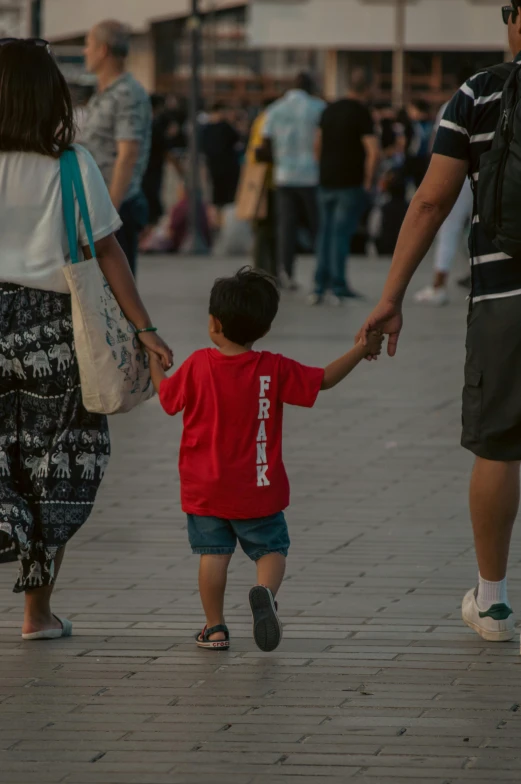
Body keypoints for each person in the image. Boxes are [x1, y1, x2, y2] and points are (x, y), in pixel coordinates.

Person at [357, 1, 521, 644]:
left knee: (499, 446)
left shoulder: (479, 93)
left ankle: (494, 599)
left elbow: (430, 200)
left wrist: (392, 296)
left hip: (504, 300)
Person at [0, 39, 171, 639]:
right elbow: (106, 250)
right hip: (54, 327)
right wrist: (145, 330)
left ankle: (4, 513)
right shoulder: (72, 165)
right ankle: (36, 614)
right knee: (56, 466)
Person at [148, 268, 383, 653]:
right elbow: (322, 380)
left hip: (205, 487)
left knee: (213, 555)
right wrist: (360, 348)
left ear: (214, 323)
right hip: (258, 487)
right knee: (272, 549)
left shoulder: (196, 365)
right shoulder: (272, 368)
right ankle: (264, 592)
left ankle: (215, 628)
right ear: (263, 327)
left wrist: (153, 360)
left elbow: (168, 398)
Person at [82, 20, 152, 277]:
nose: (84, 51)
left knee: (116, 294)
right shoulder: (105, 92)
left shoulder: (126, 94)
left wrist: (109, 213)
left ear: (103, 50)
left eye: (88, 44)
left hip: (115, 208)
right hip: (101, 206)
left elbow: (128, 153)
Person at [311, 69, 379, 304]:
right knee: (340, 234)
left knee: (325, 234)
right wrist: (369, 180)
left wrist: (322, 167)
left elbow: (317, 143)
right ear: (368, 88)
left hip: (326, 180)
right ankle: (338, 285)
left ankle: (319, 285)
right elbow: (373, 151)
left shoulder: (329, 109)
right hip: (349, 182)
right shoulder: (362, 113)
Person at [414, 66, 476, 306]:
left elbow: (438, 147)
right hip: (484, 175)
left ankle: (439, 285)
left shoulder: (453, 105)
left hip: (457, 176)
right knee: (481, 229)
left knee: (448, 228)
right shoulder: (492, 101)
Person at [259, 73, 326, 289]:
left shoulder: (275, 109)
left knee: (286, 227)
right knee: (318, 227)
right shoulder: (318, 107)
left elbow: (265, 142)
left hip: (284, 176)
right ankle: (322, 272)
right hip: (311, 175)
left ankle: (286, 272)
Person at [246, 97, 277, 276]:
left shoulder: (260, 120)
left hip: (260, 180)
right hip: (266, 181)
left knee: (264, 228)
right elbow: (260, 151)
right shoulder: (268, 120)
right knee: (265, 228)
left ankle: (265, 269)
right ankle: (263, 270)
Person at [201, 102, 241, 224]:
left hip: (213, 168)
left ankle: (217, 223)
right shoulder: (225, 126)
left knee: (216, 199)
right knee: (228, 199)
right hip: (228, 169)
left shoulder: (205, 128)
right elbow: (237, 141)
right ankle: (225, 223)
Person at [405, 99, 434, 188]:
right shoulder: (432, 124)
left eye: (411, 110)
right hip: (423, 159)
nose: (409, 113)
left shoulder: (414, 125)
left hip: (418, 158)